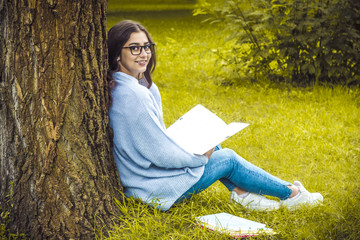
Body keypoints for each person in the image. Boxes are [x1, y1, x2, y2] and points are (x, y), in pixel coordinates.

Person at [107, 20, 323, 211]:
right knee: (226, 158)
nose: (144, 54)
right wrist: (200, 157)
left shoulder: (132, 85)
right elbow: (160, 154)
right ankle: (293, 195)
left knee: (212, 144)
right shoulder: (135, 95)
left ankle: (243, 195)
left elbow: (152, 140)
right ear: (117, 53)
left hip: (145, 179)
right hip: (153, 189)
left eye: (146, 47)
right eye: (134, 48)